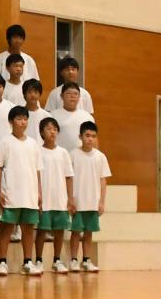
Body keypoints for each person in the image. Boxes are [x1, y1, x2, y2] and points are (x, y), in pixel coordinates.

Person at [0, 106, 43, 276]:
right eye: (19, 118)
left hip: (29, 194)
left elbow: (37, 170)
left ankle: (27, 262)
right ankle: (2, 262)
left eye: (25, 118)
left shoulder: (33, 144)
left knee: (28, 229)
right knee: (6, 228)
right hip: (11, 194)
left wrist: (39, 193)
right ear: (11, 121)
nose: (23, 122)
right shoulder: (4, 142)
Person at [34, 115, 74, 274]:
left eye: (55, 129)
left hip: (60, 199)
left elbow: (69, 176)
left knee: (59, 230)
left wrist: (70, 199)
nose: (52, 132)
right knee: (42, 230)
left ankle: (57, 260)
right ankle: (38, 259)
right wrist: (37, 195)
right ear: (41, 132)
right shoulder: (37, 151)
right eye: (49, 129)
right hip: (44, 198)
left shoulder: (63, 152)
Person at [71, 122, 111, 273]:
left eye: (93, 136)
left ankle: (86, 259)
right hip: (78, 201)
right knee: (76, 232)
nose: (90, 139)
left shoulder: (100, 157)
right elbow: (68, 178)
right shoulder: (73, 154)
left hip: (93, 202)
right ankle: (73, 260)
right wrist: (70, 199)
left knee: (89, 232)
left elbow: (103, 180)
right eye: (87, 135)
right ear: (80, 136)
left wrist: (101, 202)